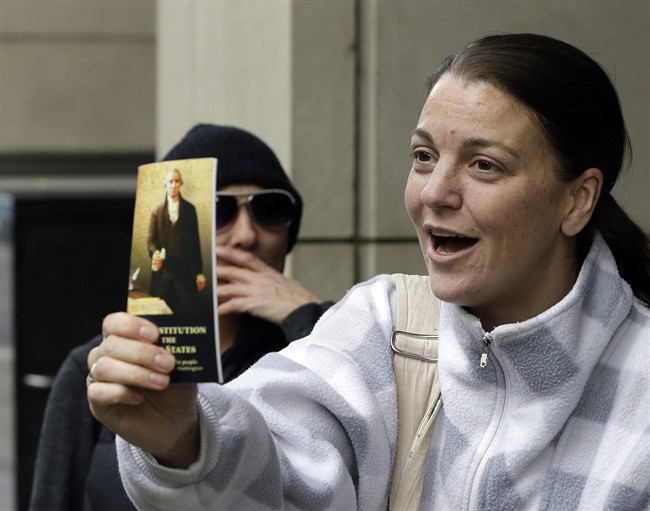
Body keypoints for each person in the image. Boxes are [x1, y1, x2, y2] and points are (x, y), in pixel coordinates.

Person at [87, 33, 650, 510]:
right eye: (423, 155)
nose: (434, 192)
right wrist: (185, 440)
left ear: (578, 200)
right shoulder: (385, 326)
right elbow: (274, 474)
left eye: (485, 165)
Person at [29, 124, 334, 511]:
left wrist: (308, 317)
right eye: (220, 210)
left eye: (269, 210)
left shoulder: (308, 346)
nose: (245, 235)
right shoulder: (103, 365)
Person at [148, 167, 206, 314]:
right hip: (164, 274)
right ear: (165, 184)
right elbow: (151, 240)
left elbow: (195, 243)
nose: (173, 185)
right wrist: (155, 253)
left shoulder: (190, 209)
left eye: (176, 181)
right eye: (170, 182)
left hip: (185, 273)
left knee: (190, 313)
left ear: (181, 183)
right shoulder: (156, 212)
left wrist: (199, 272)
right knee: (160, 317)